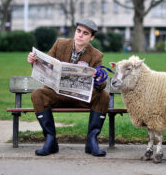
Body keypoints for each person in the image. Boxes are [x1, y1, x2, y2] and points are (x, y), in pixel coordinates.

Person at [27, 19, 109, 157]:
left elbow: (101, 85)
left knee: (104, 96)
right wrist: (34, 61)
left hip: (80, 97)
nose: (80, 35)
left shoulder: (96, 55)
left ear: (92, 37)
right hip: (57, 93)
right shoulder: (60, 44)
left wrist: (99, 78)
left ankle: (92, 141)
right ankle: (50, 140)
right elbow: (45, 64)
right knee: (38, 94)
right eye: (78, 31)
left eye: (85, 33)